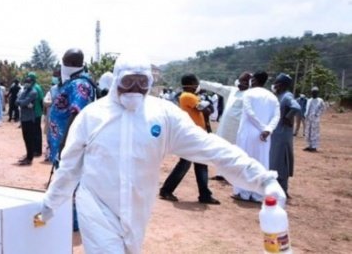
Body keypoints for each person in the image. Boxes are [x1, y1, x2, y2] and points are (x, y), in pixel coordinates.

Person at [36, 55, 286, 254]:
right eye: (127, 82)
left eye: (142, 82)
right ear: (116, 82)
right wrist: (51, 204)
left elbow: (211, 147)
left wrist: (261, 178)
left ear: (150, 82)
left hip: (138, 209)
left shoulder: (163, 115)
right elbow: (69, 166)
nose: (135, 88)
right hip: (96, 206)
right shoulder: (92, 116)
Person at [159, 74, 220, 204]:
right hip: (191, 135)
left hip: (197, 134)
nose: (198, 85)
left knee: (200, 164)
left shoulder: (192, 97)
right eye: (197, 82)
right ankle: (166, 190)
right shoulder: (188, 96)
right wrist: (206, 105)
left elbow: (207, 110)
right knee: (186, 164)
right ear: (192, 83)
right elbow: (206, 110)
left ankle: (204, 194)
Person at [233, 71, 280, 202]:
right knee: (261, 163)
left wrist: (262, 128)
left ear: (253, 80)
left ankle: (243, 193)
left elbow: (249, 113)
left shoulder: (248, 93)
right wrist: (268, 130)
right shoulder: (272, 97)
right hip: (263, 136)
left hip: (248, 134)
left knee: (245, 163)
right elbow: (276, 116)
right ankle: (258, 194)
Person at [47, 48, 97, 166]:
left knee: (69, 179)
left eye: (64, 62)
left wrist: (64, 144)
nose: (62, 66)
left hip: (69, 145)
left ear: (71, 65)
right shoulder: (72, 82)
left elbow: (76, 114)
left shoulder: (79, 84)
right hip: (63, 141)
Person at [200, 72, 252, 180]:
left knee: (235, 152)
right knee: (222, 150)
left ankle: (233, 176)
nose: (241, 83)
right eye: (240, 80)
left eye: (244, 81)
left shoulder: (251, 94)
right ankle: (220, 174)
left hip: (238, 128)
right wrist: (200, 83)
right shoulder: (232, 91)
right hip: (225, 127)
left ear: (249, 83)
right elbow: (218, 87)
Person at [270, 73, 301, 197]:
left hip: (282, 135)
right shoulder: (279, 96)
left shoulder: (287, 96)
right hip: (276, 134)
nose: (275, 85)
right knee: (275, 161)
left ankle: (283, 189)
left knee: (282, 162)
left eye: (277, 83)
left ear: (282, 85)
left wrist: (288, 118)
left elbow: (296, 107)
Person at [16, 76, 38, 165]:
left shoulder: (33, 92)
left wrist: (22, 103)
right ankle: (28, 155)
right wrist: (23, 103)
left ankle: (30, 158)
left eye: (28, 82)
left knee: (30, 139)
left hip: (30, 118)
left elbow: (23, 102)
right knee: (25, 138)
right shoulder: (25, 91)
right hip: (24, 118)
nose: (26, 83)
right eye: (25, 81)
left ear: (32, 82)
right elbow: (17, 101)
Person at [27, 72, 45, 157]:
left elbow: (41, 100)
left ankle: (38, 150)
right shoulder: (31, 87)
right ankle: (34, 149)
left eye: (29, 78)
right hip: (32, 113)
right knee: (32, 131)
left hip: (36, 113)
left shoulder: (37, 88)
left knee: (36, 131)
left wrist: (42, 111)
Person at [304, 87, 326, 152]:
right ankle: (309, 145)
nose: (313, 93)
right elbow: (307, 108)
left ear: (317, 93)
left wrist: (317, 114)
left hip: (315, 119)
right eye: (312, 92)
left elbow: (323, 109)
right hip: (308, 118)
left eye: (315, 92)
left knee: (314, 132)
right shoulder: (309, 100)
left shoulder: (320, 100)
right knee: (308, 132)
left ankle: (314, 147)